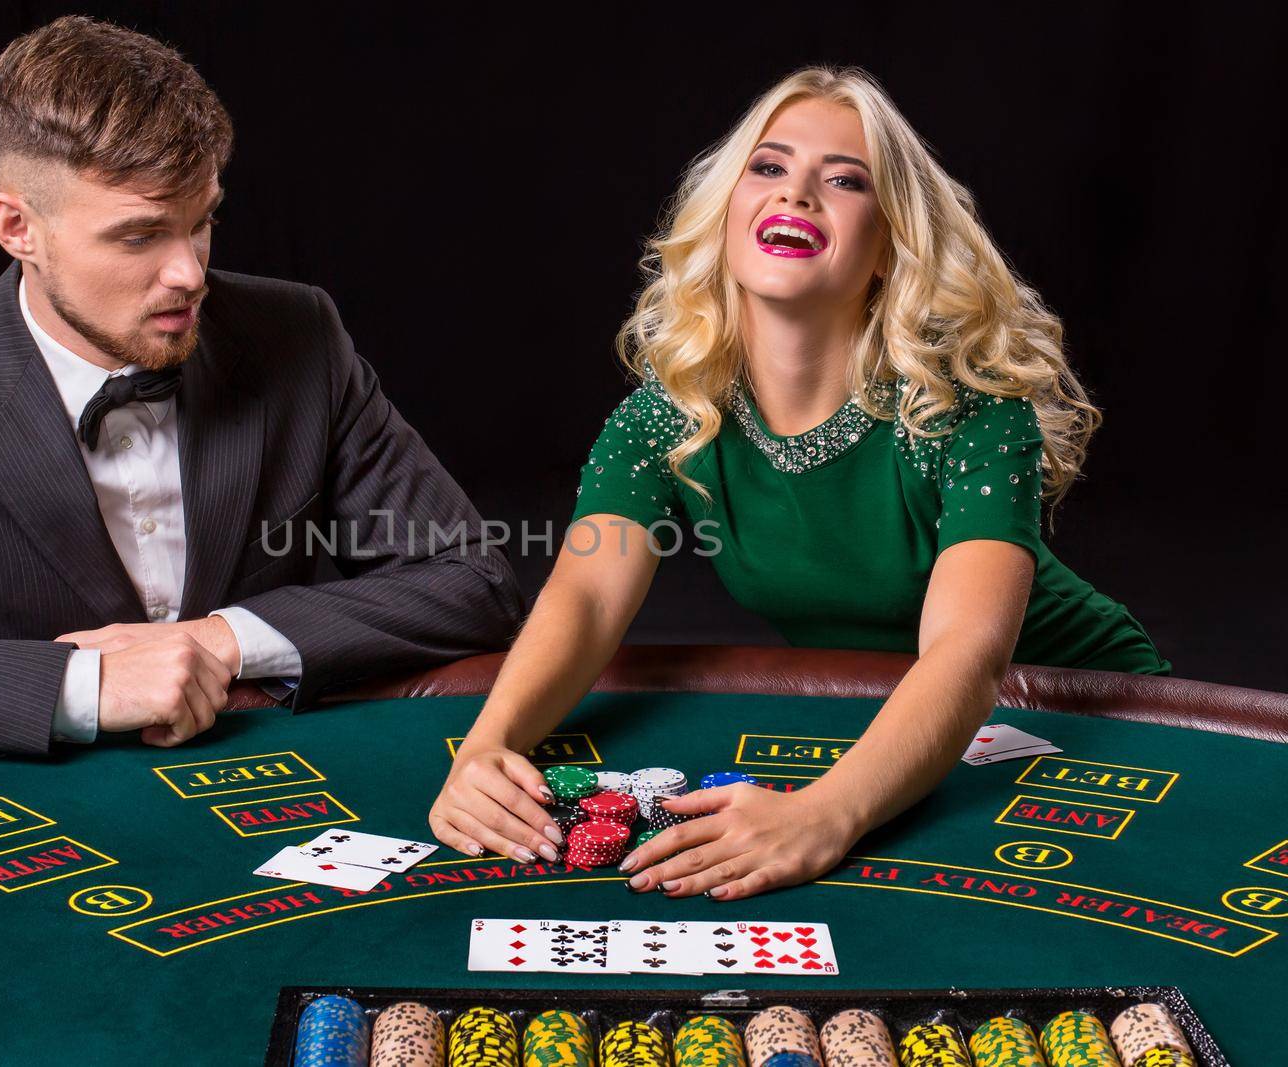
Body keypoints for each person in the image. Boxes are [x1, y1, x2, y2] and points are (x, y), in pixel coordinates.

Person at [428, 65, 1169, 901]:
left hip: (1082, 711)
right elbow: (588, 598)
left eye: (845, 180)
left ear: (890, 244)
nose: (799, 195)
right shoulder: (662, 419)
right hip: (890, 725)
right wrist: (490, 745)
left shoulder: (972, 413)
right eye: (769, 168)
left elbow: (968, 652)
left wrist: (824, 815)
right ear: (729, 210)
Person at [0, 16, 521, 755]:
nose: (189, 271)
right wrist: (82, 686)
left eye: (201, 220)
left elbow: (471, 579)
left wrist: (219, 641)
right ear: (16, 228)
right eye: (139, 236)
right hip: (15, 833)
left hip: (263, 787)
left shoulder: (296, 335)